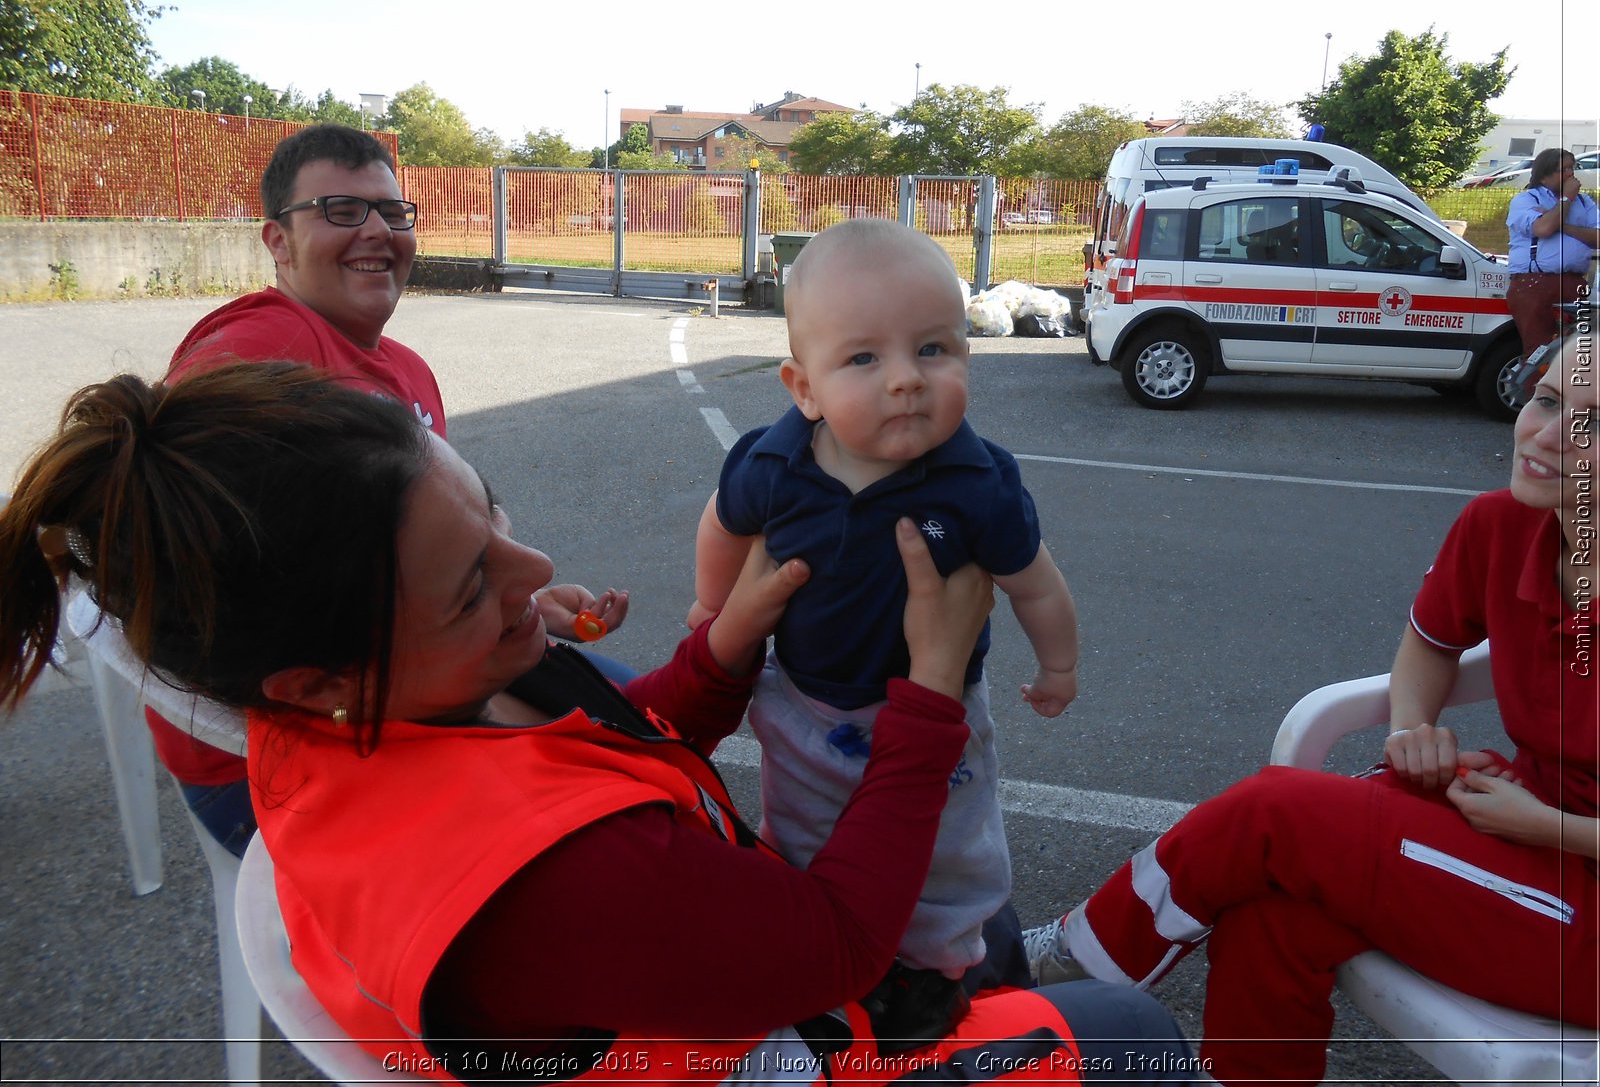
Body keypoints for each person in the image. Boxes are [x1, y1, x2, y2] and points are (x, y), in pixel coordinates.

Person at [0, 362, 1197, 1086]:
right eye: (473, 583)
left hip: (687, 992)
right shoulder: (558, 881)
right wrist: (930, 694)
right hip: (767, 1051)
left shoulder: (358, 724)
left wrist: (728, 643)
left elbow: (616, 740)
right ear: (319, 679)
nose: (536, 569)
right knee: (1133, 1033)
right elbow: (832, 943)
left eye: (495, 517)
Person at [1023, 332, 1600, 1086]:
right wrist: (1410, 730)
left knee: (1275, 815)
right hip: (1525, 833)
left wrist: (1547, 827)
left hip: (1570, 876)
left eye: (1591, 423)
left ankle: (1051, 977)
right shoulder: (1504, 524)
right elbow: (1428, 644)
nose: (1547, 433)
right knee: (1273, 918)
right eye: (1548, 400)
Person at [145, 123, 628, 856]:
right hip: (291, 749)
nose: (376, 229)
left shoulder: (407, 371)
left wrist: (511, 599)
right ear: (276, 242)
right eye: (341, 210)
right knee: (609, 794)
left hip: (408, 688)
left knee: (630, 721)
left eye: (393, 212)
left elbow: (419, 562)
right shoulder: (261, 352)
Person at [689, 219, 1080, 1029]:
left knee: (952, 845)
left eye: (933, 349)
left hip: (940, 715)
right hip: (806, 700)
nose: (906, 380)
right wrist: (712, 605)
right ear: (804, 387)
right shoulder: (773, 463)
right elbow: (722, 524)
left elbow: (1036, 583)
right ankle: (826, 945)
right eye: (865, 359)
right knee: (800, 826)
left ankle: (939, 960)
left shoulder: (978, 481)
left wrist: (1059, 665)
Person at [1506, 147, 1600, 360]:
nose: (1570, 174)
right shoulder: (1527, 200)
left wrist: (1563, 226)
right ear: (1545, 175)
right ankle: (1536, 392)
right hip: (1534, 283)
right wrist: (1566, 199)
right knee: (1540, 351)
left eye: (1572, 167)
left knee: (1579, 351)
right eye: (1563, 169)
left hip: (1573, 282)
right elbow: (1543, 229)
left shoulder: (1585, 202)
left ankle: (1569, 392)